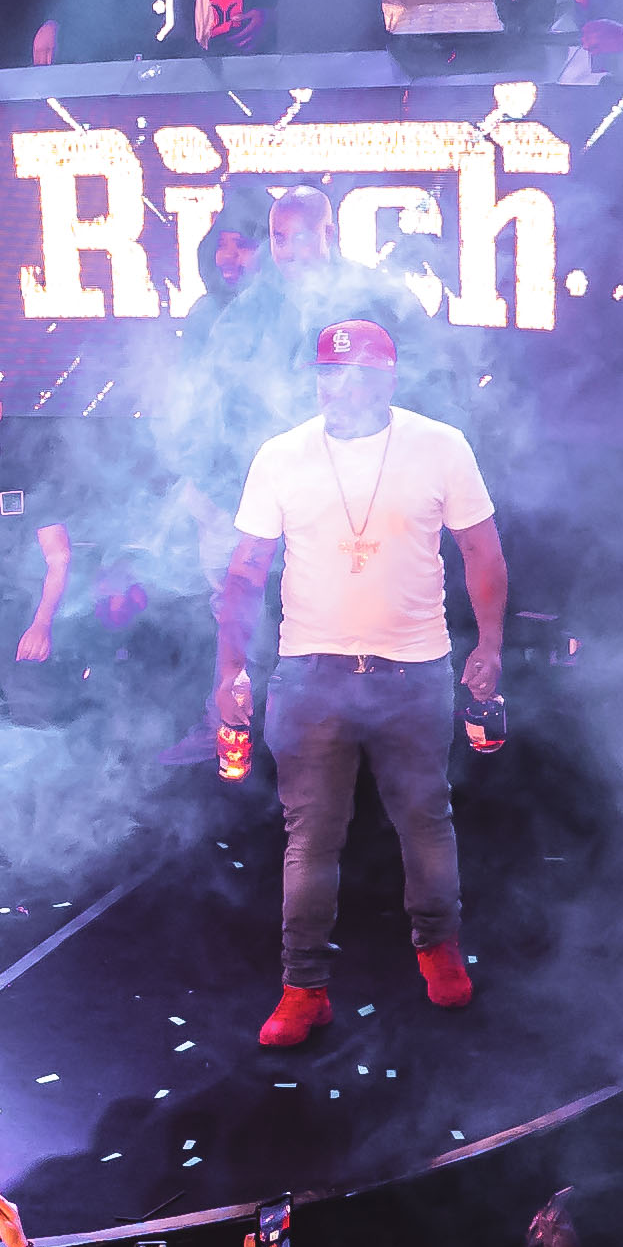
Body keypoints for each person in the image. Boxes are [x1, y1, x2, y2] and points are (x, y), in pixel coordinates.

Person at [215, 320, 509, 1052]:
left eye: (353, 375)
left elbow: (481, 549)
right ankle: (303, 986)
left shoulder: (440, 446)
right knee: (311, 837)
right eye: (325, 375)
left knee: (426, 819)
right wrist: (229, 668)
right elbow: (245, 571)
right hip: (310, 675)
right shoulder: (281, 455)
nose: (336, 388)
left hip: (414, 670)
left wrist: (491, 644)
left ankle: (439, 948)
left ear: (388, 378)